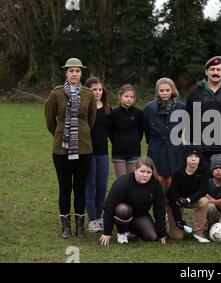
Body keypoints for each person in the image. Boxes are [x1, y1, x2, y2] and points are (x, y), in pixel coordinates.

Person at [44, 57, 96, 239]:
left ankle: (80, 226)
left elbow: (91, 120)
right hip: (61, 149)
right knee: (65, 187)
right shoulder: (57, 93)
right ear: (65, 73)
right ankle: (65, 226)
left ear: (81, 73)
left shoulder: (89, 94)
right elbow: (50, 120)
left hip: (83, 148)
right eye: (71, 71)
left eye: (78, 71)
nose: (74, 74)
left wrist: (79, 135)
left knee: (80, 187)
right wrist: (61, 136)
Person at [100, 156, 167, 246]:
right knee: (123, 209)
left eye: (149, 172)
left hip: (140, 215)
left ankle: (130, 229)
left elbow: (159, 208)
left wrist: (161, 232)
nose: (145, 175)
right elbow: (109, 207)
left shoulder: (155, 184)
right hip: (122, 212)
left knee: (152, 237)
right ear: (135, 170)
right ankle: (122, 233)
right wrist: (107, 232)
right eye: (142, 171)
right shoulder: (122, 183)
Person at [143, 78, 186, 191]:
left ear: (172, 90)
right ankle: (160, 208)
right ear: (157, 91)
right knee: (158, 182)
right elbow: (146, 130)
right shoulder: (149, 108)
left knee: (173, 182)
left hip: (175, 150)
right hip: (156, 149)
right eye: (161, 90)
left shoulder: (182, 107)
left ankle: (174, 208)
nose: (164, 93)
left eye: (167, 90)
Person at [84, 77, 112, 233]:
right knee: (90, 186)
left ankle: (99, 217)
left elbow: (112, 131)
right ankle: (92, 219)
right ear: (88, 91)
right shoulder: (85, 107)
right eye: (94, 89)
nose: (97, 92)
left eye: (100, 89)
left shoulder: (107, 109)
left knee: (102, 186)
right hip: (88, 152)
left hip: (103, 152)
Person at [166, 146, 210, 243]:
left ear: (200, 158)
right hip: (177, 202)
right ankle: (168, 222)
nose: (193, 159)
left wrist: (189, 199)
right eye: (190, 156)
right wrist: (177, 219)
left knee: (204, 201)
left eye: (196, 156)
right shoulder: (177, 172)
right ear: (185, 158)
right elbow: (173, 196)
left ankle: (198, 233)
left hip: (192, 199)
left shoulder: (204, 169)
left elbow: (204, 189)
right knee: (177, 237)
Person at [109, 84, 144, 178]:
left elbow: (140, 132)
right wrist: (118, 142)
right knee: (121, 181)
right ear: (120, 97)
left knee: (132, 180)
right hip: (118, 154)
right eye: (126, 96)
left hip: (134, 153)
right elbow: (110, 132)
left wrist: (134, 141)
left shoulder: (139, 113)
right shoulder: (114, 113)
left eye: (131, 97)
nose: (129, 99)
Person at [205, 154, 221, 229]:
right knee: (210, 207)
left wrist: (212, 200)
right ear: (212, 171)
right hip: (211, 214)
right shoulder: (207, 183)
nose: (218, 170)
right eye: (215, 168)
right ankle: (210, 226)